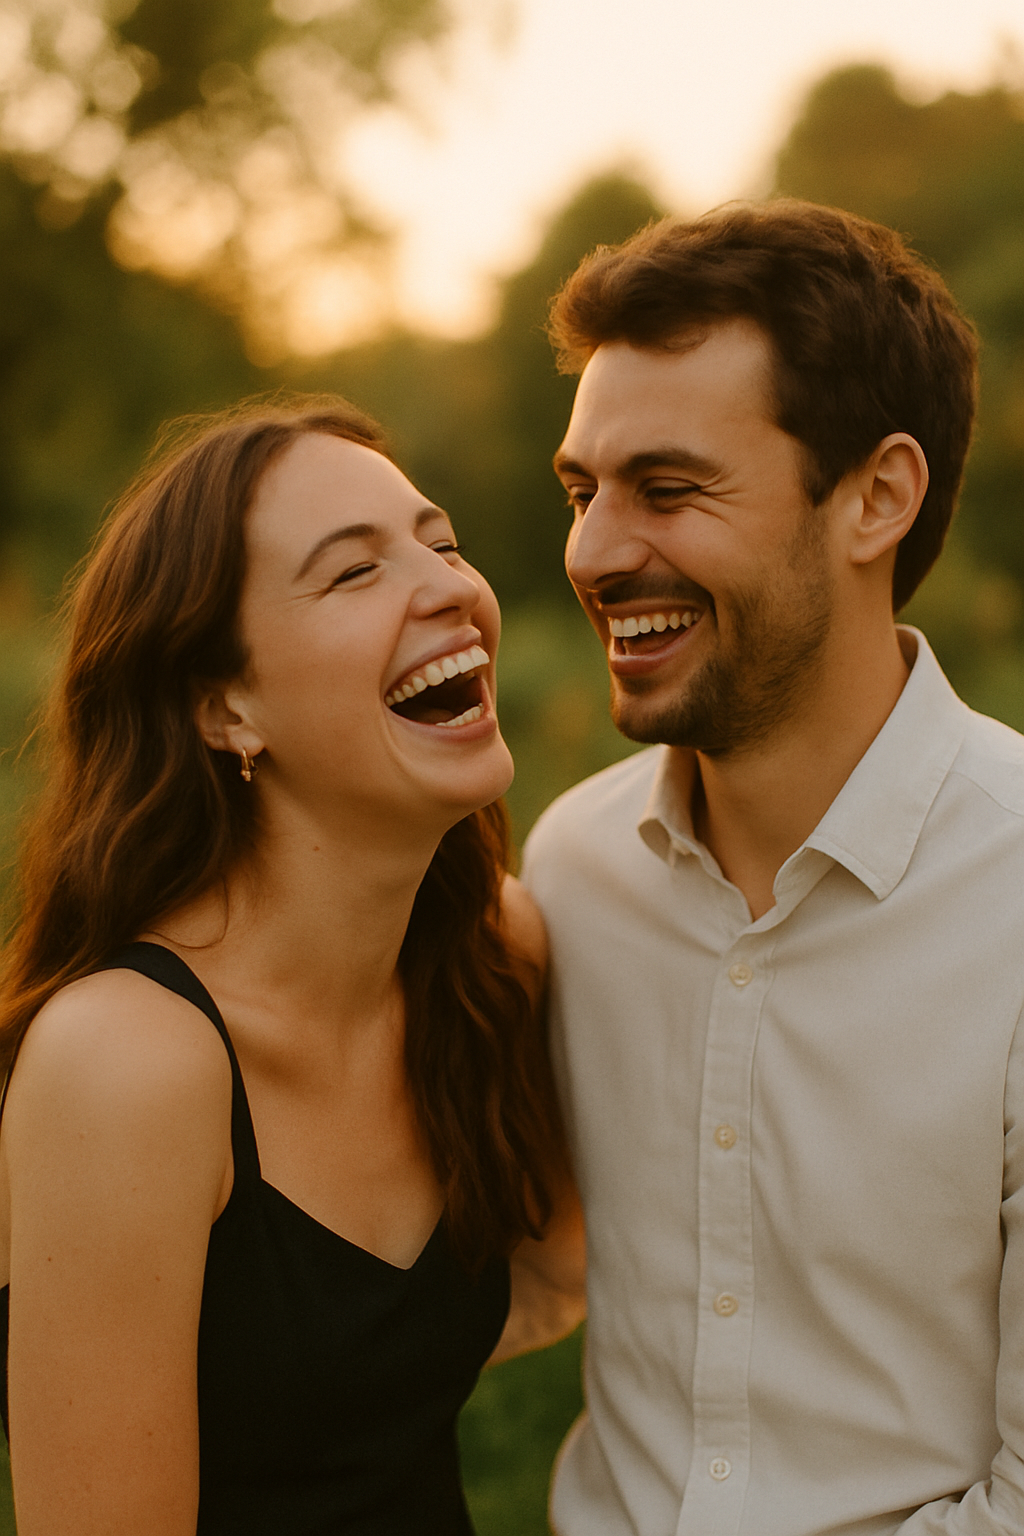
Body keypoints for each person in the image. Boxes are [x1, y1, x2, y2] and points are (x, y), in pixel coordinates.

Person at [521, 200, 1024, 1535]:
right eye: (583, 492)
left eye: (668, 489)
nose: (596, 551)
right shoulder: (570, 869)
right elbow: (530, 1269)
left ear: (877, 496)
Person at [0, 397, 585, 1536]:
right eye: (352, 572)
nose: (447, 585)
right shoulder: (129, 1061)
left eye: (442, 541)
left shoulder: (491, 956)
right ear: (225, 707)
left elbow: (552, 1280)